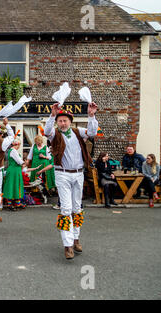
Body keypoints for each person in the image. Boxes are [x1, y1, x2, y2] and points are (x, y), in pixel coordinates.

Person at [44, 101, 98, 260]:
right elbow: (47, 131)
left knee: (77, 208)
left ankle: (76, 238)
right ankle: (67, 245)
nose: (62, 123)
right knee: (66, 209)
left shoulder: (77, 132)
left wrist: (91, 115)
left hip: (78, 174)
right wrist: (52, 115)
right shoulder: (55, 134)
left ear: (70, 121)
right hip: (62, 174)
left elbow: (93, 132)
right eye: (59, 120)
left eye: (64, 120)